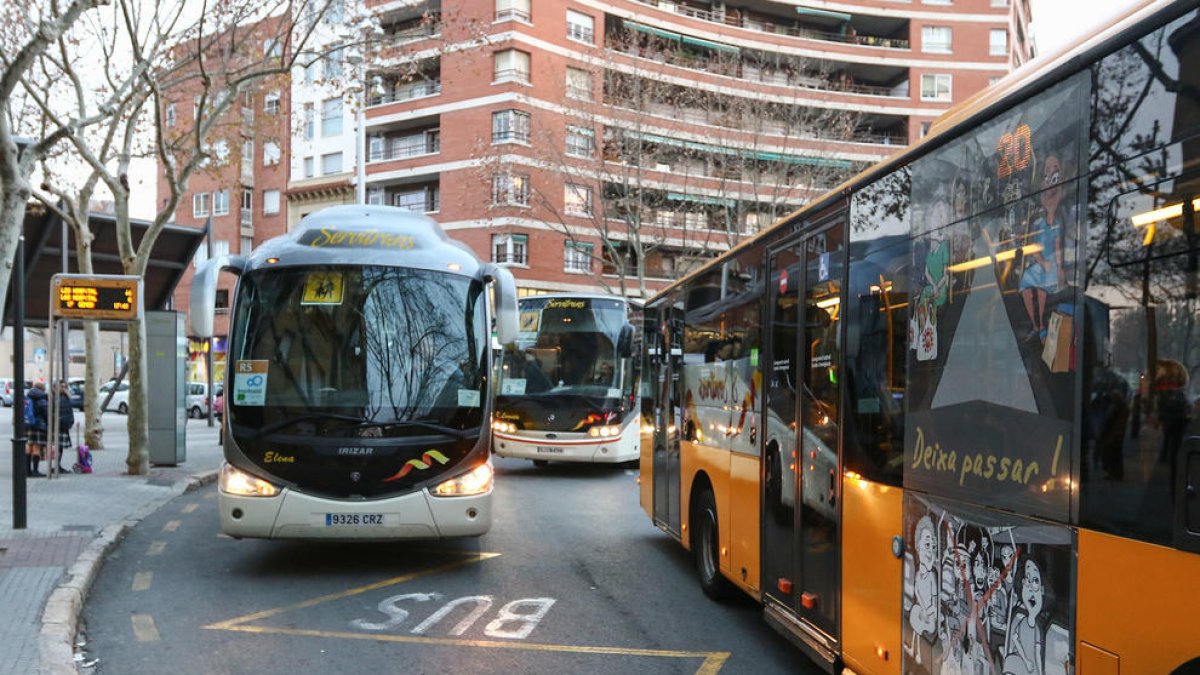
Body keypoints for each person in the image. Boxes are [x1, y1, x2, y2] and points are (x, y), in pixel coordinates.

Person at [26, 381, 48, 477]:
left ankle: (27, 471)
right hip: (39, 426)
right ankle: (35, 471)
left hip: (28, 425)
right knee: (36, 448)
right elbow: (46, 414)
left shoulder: (28, 397)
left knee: (28, 447)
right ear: (42, 389)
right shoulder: (42, 399)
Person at [54, 381, 75, 474]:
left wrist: (71, 421)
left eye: (65, 386)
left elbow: (70, 410)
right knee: (57, 447)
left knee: (60, 447)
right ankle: (56, 466)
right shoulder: (54, 397)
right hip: (57, 425)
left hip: (64, 425)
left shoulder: (67, 397)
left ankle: (58, 465)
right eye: (61, 386)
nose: (63, 388)